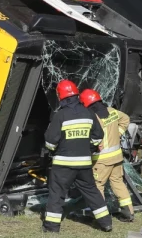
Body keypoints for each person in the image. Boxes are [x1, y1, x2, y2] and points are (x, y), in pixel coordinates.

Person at [41, 79, 112, 233]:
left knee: (57, 194)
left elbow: (50, 141)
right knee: (92, 192)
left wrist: (52, 150)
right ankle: (106, 223)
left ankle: (52, 227)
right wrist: (89, 147)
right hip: (84, 164)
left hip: (63, 165)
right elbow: (98, 136)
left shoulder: (60, 115)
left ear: (61, 96)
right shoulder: (88, 113)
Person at [80, 88, 134, 222]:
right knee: (117, 182)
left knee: (97, 186)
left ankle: (100, 216)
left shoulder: (93, 117)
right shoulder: (112, 111)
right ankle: (129, 212)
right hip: (117, 157)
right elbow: (126, 119)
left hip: (102, 160)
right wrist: (118, 133)